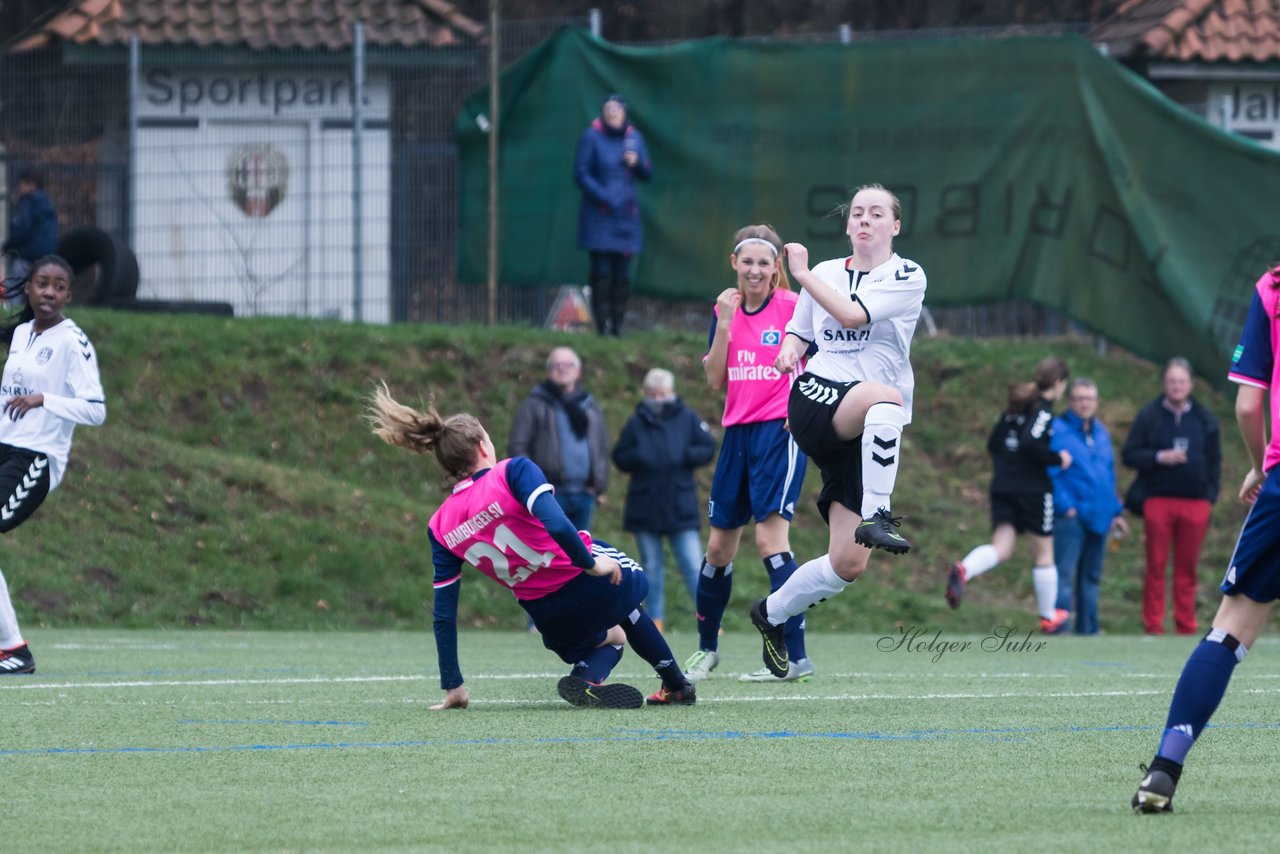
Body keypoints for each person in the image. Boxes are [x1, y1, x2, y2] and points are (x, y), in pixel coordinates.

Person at [367, 383, 696, 708]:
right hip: (583, 582)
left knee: (615, 637)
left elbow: (443, 614)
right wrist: (591, 564)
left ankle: (586, 677)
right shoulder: (511, 471)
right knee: (623, 585)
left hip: (547, 616)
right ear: (483, 446)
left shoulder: (440, 526)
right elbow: (556, 523)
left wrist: (453, 685)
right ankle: (676, 685)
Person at [744, 184, 926, 678]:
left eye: (876, 214)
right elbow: (802, 333)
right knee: (888, 397)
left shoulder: (907, 275)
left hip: (864, 430)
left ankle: (771, 614)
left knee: (847, 564)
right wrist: (788, 351)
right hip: (819, 399)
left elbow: (852, 314)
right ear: (847, 227)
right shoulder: (822, 273)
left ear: (895, 226)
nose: (865, 220)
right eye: (857, 214)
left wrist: (801, 280)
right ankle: (880, 513)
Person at [1131, 267, 1278, 813]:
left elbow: (1247, 404)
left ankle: (1163, 772)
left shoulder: (1273, 287)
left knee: (1228, 633)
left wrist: (1259, 466)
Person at [682, 224, 813, 684]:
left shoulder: (795, 307)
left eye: (764, 262)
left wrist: (804, 409)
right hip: (736, 435)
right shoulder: (726, 309)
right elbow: (715, 378)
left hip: (779, 433)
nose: (756, 270)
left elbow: (825, 362)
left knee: (770, 542)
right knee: (718, 548)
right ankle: (707, 651)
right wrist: (722, 323)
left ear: (777, 267)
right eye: (748, 261)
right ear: (734, 263)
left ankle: (794, 657)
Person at [0, 255, 106, 676]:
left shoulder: (73, 342)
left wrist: (46, 400)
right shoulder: (23, 333)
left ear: (68, 295)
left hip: (36, 459)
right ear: (29, 288)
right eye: (42, 283)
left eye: (58, 286)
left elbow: (95, 410)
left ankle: (14, 651)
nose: (49, 292)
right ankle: (11, 649)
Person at [945, 357, 1073, 633]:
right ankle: (1048, 616)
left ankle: (964, 569)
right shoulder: (1043, 410)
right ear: (1059, 383)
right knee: (1044, 553)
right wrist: (1056, 458)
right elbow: (1030, 442)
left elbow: (993, 444)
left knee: (1002, 547)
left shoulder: (1014, 406)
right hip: (1032, 490)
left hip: (1003, 485)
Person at [1122, 357, 1222, 635]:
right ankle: (1153, 624)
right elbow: (1129, 454)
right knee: (1155, 565)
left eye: (1181, 381)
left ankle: (1185, 624)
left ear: (1190, 384)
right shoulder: (1149, 416)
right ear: (1164, 384)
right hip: (1158, 501)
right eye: (1171, 381)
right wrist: (1157, 457)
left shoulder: (1204, 419)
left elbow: (1215, 462)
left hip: (1195, 503)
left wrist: (1209, 497)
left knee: (1187, 568)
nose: (1176, 386)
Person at [612, 368, 716, 633]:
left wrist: (684, 455)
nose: (658, 399)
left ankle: (709, 619)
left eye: (663, 394)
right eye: (653, 394)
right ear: (646, 394)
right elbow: (620, 456)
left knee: (693, 565)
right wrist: (640, 456)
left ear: (672, 393)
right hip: (645, 505)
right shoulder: (636, 422)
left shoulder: (687, 418)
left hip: (680, 505)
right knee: (651, 568)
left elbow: (707, 447)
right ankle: (654, 620)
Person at [1049, 377, 1128, 634]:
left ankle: (1088, 631)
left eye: (1089, 399)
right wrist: (1065, 506)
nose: (1085, 403)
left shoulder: (1101, 432)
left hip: (1101, 515)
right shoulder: (1058, 430)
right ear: (1071, 401)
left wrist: (1116, 511)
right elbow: (1050, 472)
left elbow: (1108, 474)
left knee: (1091, 578)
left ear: (1096, 402)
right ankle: (1060, 628)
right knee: (1064, 576)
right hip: (1071, 517)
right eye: (1080, 398)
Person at [573, 94, 651, 337]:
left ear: (624, 113)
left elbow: (647, 172)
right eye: (608, 111)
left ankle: (617, 326)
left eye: (616, 112)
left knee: (622, 275)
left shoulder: (634, 139)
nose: (612, 115)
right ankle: (601, 327)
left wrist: (637, 163)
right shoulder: (591, 138)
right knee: (600, 271)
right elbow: (580, 173)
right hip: (599, 216)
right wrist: (603, 195)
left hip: (626, 219)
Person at [508, 347, 609, 532]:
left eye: (568, 364)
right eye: (556, 364)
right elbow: (517, 447)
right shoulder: (533, 405)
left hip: (584, 494)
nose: (562, 369)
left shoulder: (590, 406)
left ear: (578, 371)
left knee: (582, 554)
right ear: (549, 370)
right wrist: (535, 485)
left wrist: (598, 484)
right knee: (550, 554)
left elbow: (602, 447)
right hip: (550, 494)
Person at [2, 169, 59, 290]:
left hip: (26, 256)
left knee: (13, 288)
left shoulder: (27, 201)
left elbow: (21, 229)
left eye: (21, 185)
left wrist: (8, 246)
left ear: (31, 185)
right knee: (39, 290)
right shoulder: (48, 203)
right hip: (47, 257)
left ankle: (8, 307)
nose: (19, 189)